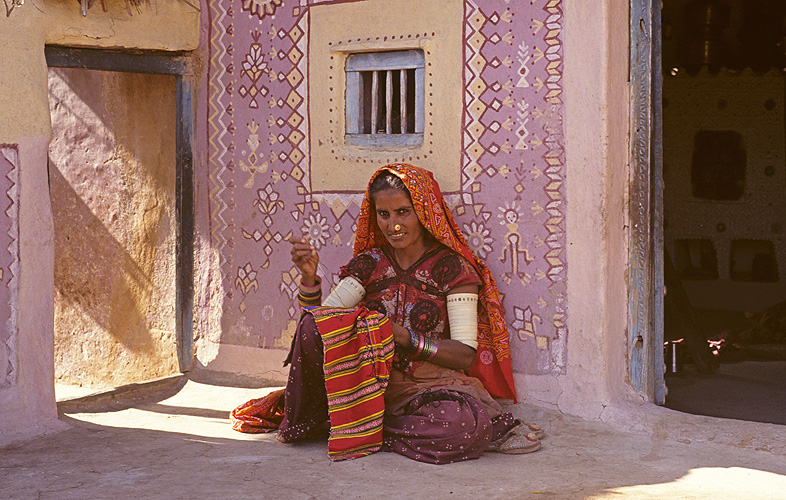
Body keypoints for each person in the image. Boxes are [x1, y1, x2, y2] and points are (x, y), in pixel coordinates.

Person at [279, 163, 543, 464]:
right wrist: (311, 280)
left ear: (424, 212)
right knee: (311, 327)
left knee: (461, 424)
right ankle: (359, 422)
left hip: (427, 386)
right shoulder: (368, 264)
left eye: (404, 212)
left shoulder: (452, 268)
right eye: (384, 214)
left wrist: (405, 337)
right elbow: (320, 329)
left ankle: (359, 427)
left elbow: (464, 355)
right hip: (365, 382)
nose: (393, 225)